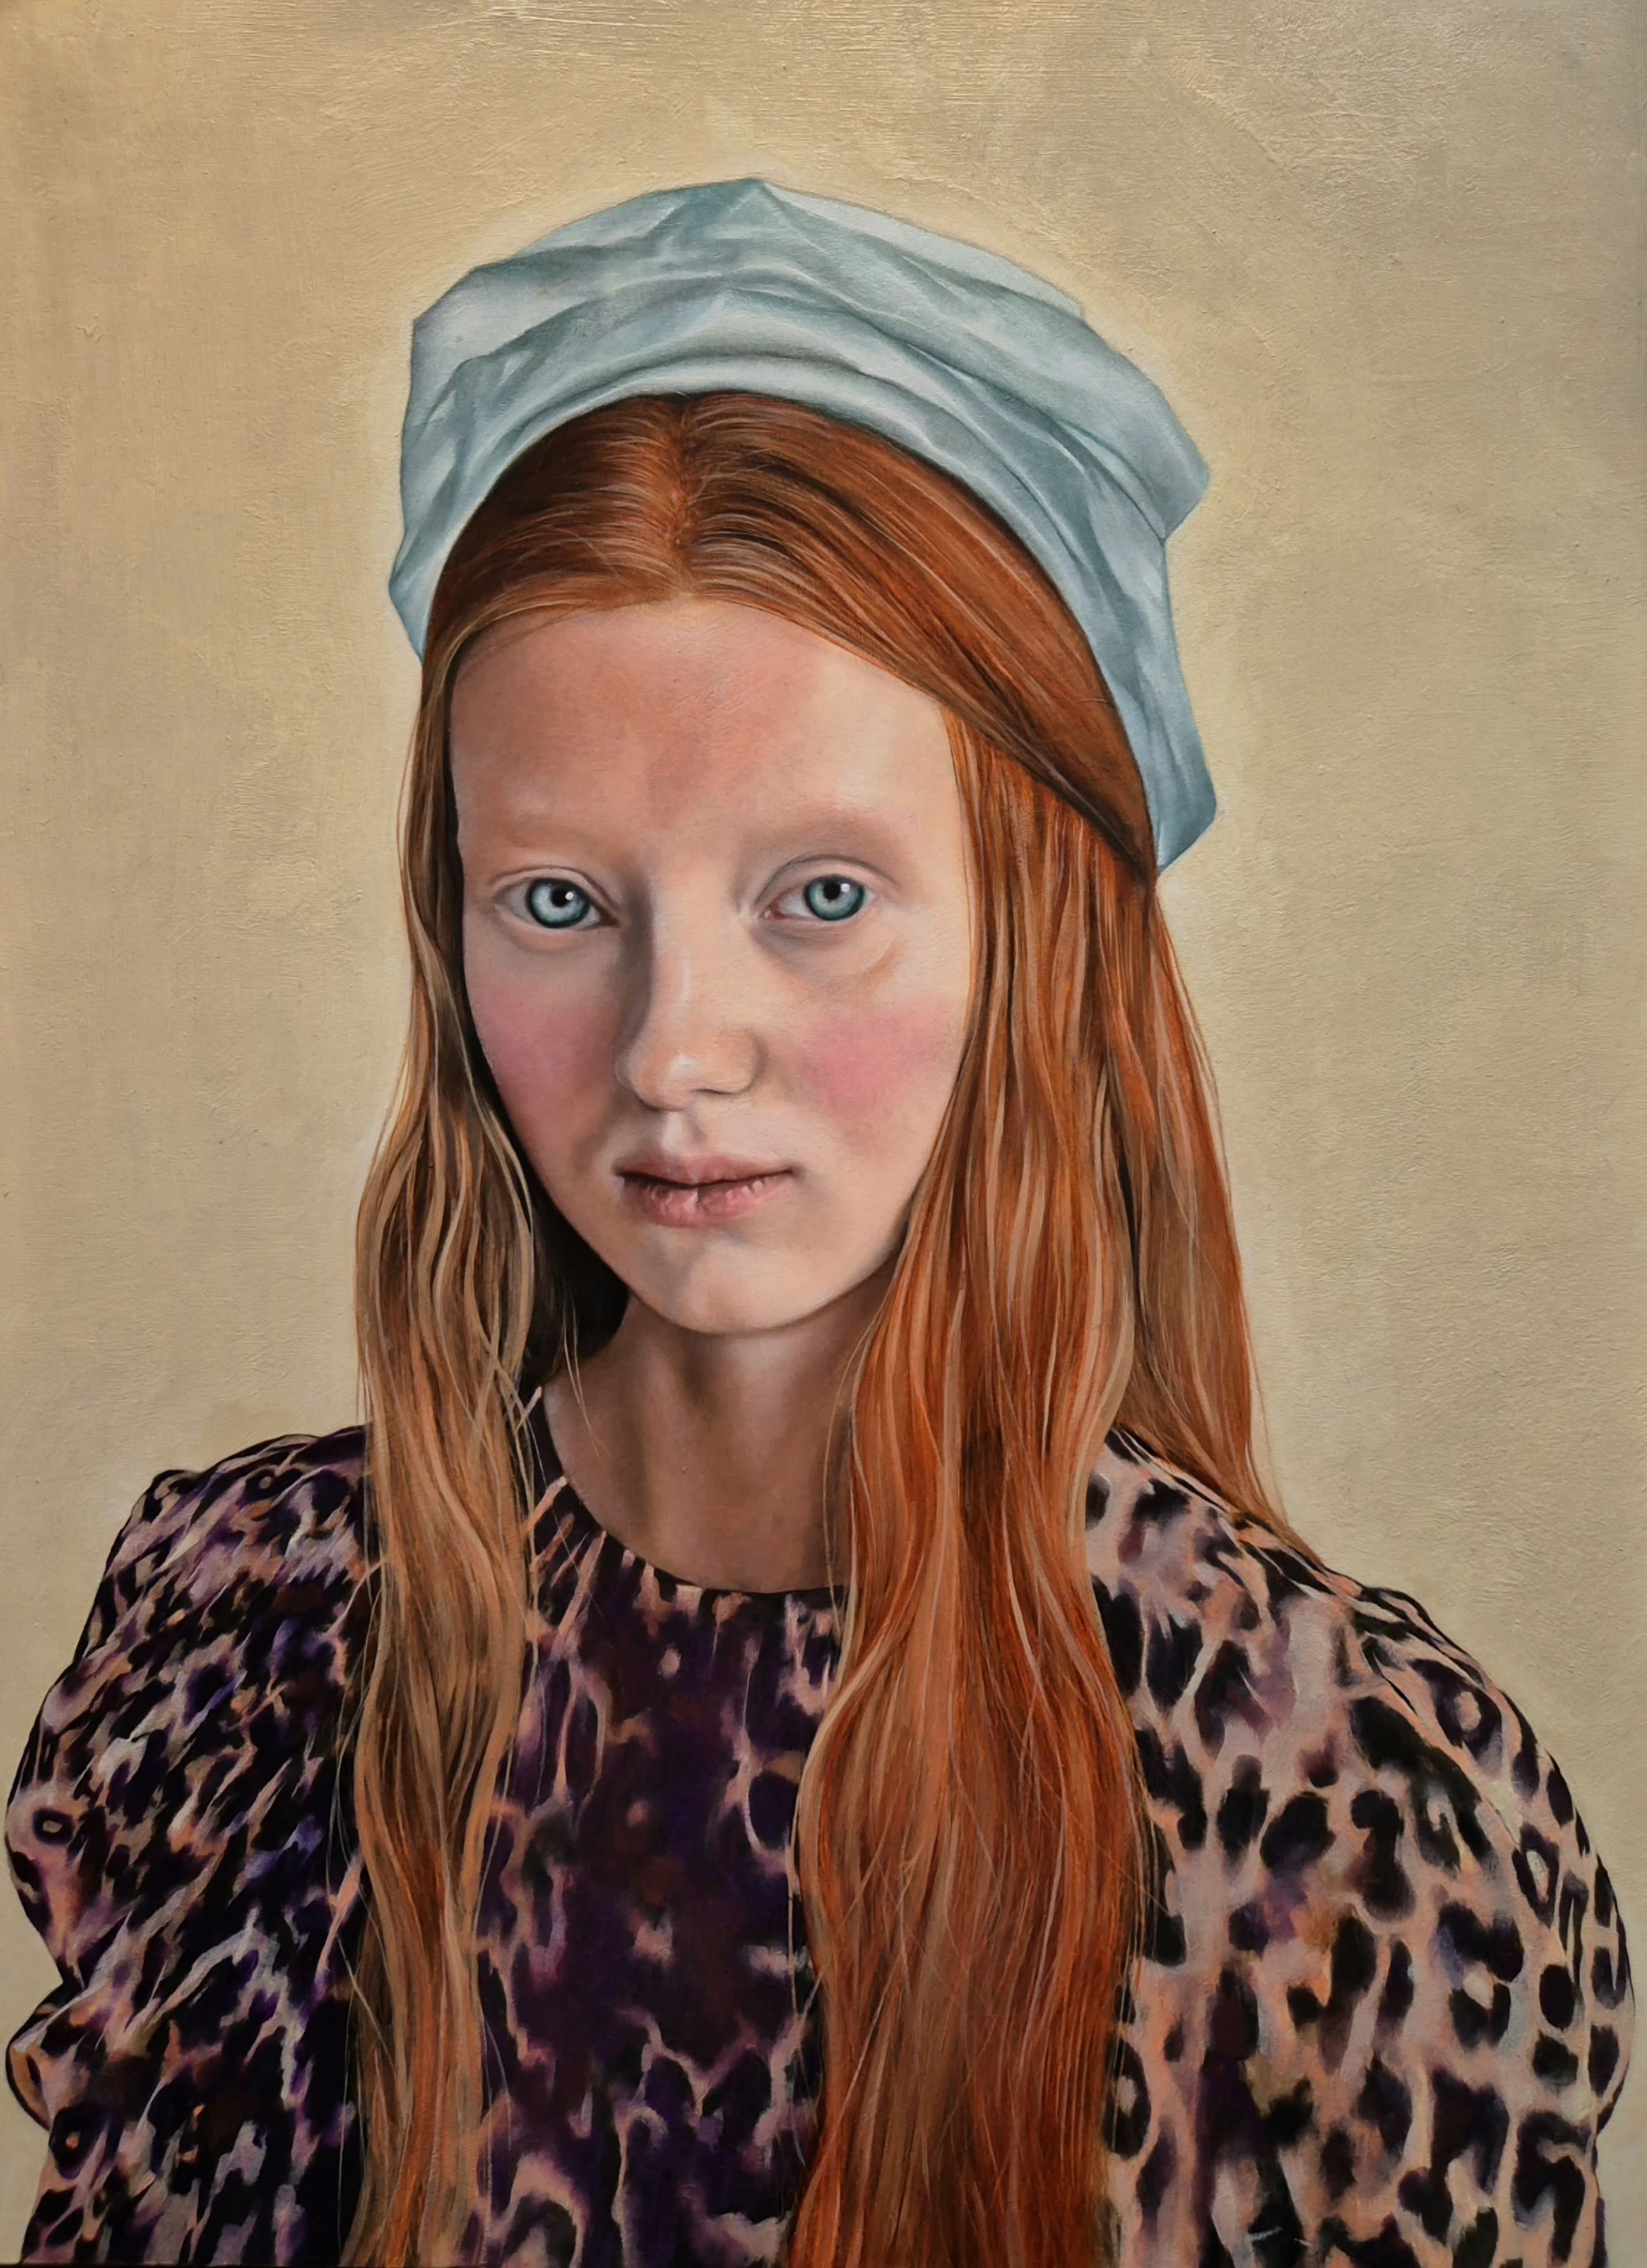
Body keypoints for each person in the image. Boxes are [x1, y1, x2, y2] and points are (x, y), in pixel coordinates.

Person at [4, 180, 1631, 2268]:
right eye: (560, 902)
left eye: (824, 898)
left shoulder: (1343, 1797)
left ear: (1037, 935)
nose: (678, 1048)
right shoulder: (253, 1647)